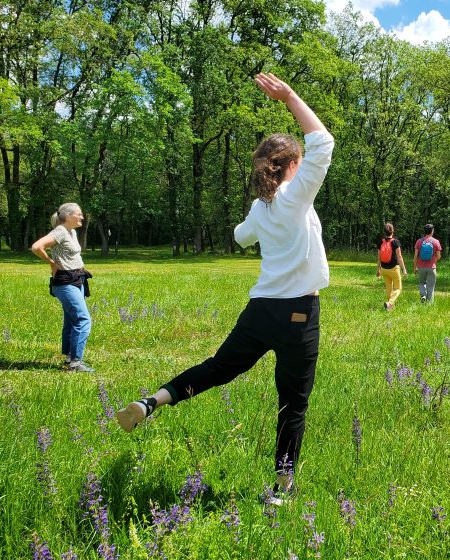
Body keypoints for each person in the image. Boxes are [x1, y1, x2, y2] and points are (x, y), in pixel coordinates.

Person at [116, 73, 334, 504]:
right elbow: (323, 142)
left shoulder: (262, 206)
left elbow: (240, 237)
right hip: (298, 316)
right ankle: (283, 489)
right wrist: (289, 95)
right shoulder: (295, 196)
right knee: (293, 403)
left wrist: (261, 215)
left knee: (218, 368)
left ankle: (153, 401)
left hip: (259, 313)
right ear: (292, 164)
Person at [30, 203, 94, 372]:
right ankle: (75, 363)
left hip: (76, 279)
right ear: (68, 215)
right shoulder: (59, 231)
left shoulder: (71, 232)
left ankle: (69, 358)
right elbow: (37, 247)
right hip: (65, 282)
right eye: (79, 214)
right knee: (83, 319)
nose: (82, 217)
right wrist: (51, 262)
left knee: (72, 320)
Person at [376, 222, 407, 310]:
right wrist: (404, 269)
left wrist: (378, 270)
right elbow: (399, 257)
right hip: (394, 269)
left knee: (389, 289)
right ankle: (389, 303)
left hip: (384, 269)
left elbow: (379, 258)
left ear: (384, 232)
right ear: (393, 231)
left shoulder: (380, 242)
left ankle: (389, 307)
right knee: (398, 288)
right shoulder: (395, 242)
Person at [413, 224, 442, 303]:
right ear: (432, 231)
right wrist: (434, 262)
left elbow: (415, 256)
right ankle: (429, 305)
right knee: (431, 287)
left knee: (421, 283)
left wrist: (415, 267)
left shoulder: (419, 241)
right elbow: (439, 256)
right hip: (431, 268)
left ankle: (423, 295)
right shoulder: (436, 242)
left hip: (421, 267)